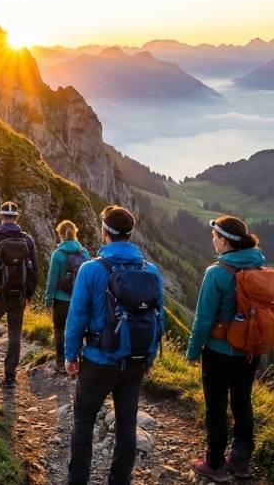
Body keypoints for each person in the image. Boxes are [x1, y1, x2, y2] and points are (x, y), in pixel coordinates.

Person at [64, 205, 164, 485]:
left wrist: (71, 355)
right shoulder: (151, 271)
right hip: (135, 361)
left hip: (98, 360)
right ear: (130, 233)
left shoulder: (91, 269)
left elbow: (77, 316)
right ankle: (119, 480)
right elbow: (158, 319)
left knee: (84, 420)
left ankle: (77, 480)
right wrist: (149, 358)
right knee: (126, 422)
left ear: (104, 232)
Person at [186, 215, 270, 481]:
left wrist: (192, 351)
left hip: (219, 351)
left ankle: (214, 464)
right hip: (250, 350)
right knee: (242, 402)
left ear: (224, 241)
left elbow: (203, 319)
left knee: (216, 406)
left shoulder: (217, 273)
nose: (213, 240)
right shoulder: (259, 266)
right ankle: (241, 461)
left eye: (215, 236)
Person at [0, 201, 37, 389]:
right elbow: (34, 271)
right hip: (18, 296)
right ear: (17, 218)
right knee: (14, 333)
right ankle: (10, 376)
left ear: (1, 217)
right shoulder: (28, 240)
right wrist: (28, 294)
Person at [45, 220, 90, 374]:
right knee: (78, 329)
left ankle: (60, 361)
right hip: (79, 299)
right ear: (75, 233)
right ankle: (77, 360)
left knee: (59, 329)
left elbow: (52, 280)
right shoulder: (84, 253)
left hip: (61, 299)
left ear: (60, 234)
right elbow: (87, 278)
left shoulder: (58, 254)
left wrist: (48, 299)